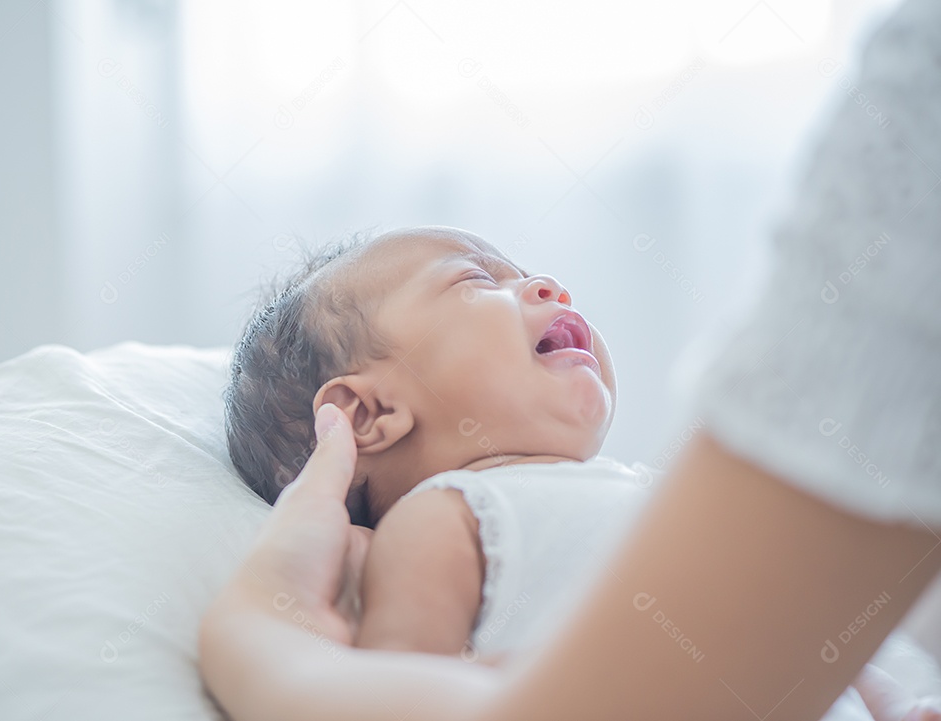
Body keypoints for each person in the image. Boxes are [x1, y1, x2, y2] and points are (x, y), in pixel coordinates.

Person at [198, 0, 941, 719]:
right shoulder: (444, 520)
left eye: (520, 272)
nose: (544, 283)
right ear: (371, 412)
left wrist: (895, 701)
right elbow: (411, 678)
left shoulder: (662, 495)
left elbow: (803, 633)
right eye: (476, 279)